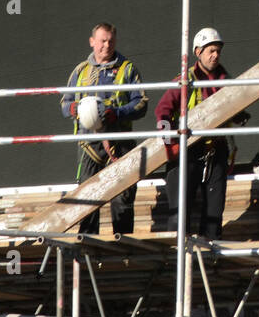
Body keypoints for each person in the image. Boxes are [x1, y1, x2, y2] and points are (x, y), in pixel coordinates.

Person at [154, 27, 248, 240]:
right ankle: (178, 261)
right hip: (187, 151)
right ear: (198, 52)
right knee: (180, 212)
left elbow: (232, 109)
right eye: (210, 51)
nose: (215, 55)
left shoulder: (226, 80)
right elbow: (162, 111)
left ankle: (211, 261)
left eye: (218, 51)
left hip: (216, 151)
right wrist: (170, 143)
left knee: (214, 213)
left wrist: (239, 116)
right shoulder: (185, 81)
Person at [61, 23, 147, 235]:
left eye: (110, 41)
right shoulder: (80, 71)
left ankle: (123, 248)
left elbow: (141, 103)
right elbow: (64, 103)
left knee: (123, 198)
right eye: (102, 41)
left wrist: (117, 113)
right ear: (92, 42)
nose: (106, 45)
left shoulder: (127, 69)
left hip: (120, 143)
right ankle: (88, 248)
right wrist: (73, 108)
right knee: (87, 199)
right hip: (89, 146)